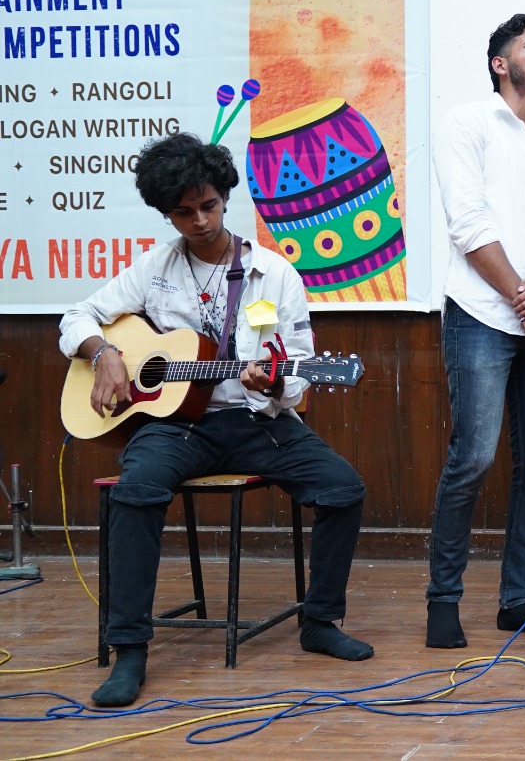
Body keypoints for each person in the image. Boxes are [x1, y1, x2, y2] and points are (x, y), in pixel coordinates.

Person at [60, 132, 372, 708]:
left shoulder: (273, 274)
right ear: (167, 213)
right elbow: (77, 316)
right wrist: (103, 353)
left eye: (209, 206)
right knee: (135, 492)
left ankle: (319, 621)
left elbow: (299, 369)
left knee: (342, 488)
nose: (200, 221)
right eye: (185, 212)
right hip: (175, 426)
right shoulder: (154, 269)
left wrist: (275, 381)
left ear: (225, 198)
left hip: (256, 421)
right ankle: (129, 649)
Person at [426, 12, 525, 648]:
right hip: (481, 316)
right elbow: (468, 224)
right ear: (500, 63)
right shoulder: (466, 123)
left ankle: (516, 600)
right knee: (474, 458)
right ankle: (443, 600)